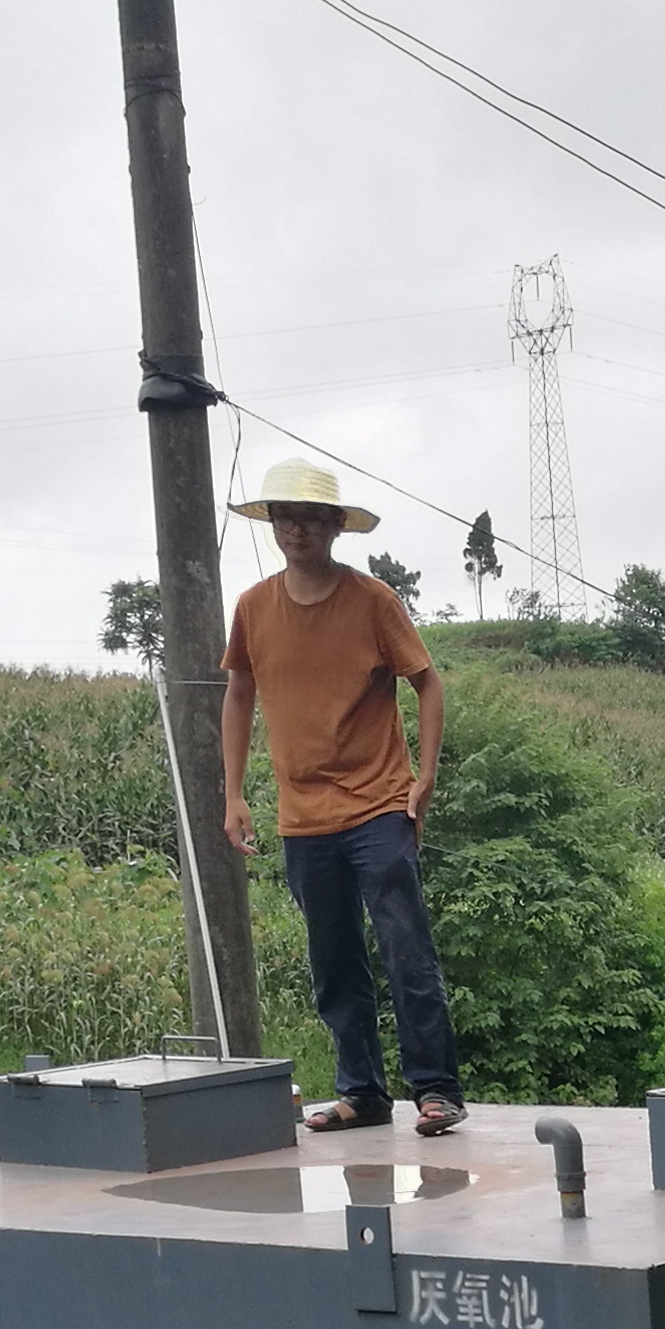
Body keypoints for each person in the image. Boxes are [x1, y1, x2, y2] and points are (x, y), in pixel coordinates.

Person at [223, 459, 462, 1136]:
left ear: (334, 526)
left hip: (379, 806)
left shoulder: (373, 601)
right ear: (274, 525)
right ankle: (362, 1092)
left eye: (310, 516)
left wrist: (426, 775)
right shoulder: (252, 608)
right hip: (303, 817)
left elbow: (428, 683)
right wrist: (234, 794)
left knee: (404, 947)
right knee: (332, 958)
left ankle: (437, 1090)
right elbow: (239, 694)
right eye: (284, 516)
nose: (296, 527)